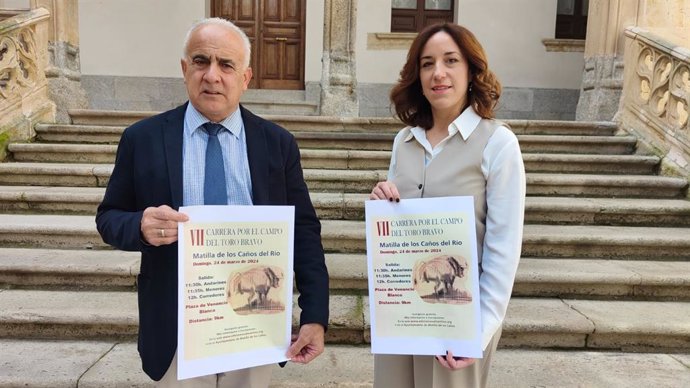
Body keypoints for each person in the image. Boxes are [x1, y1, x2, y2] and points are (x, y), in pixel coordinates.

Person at [95, 17, 329, 388]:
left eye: (227, 65)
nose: (212, 75)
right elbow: (108, 217)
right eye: (202, 61)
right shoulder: (143, 139)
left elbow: (303, 230)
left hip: (254, 325)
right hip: (178, 328)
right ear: (185, 69)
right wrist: (139, 225)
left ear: (246, 77)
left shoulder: (277, 144)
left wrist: (315, 314)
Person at [369, 23, 525, 388]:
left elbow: (503, 250)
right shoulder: (404, 141)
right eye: (427, 64)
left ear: (471, 70)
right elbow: (397, 228)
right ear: (417, 75)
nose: (438, 73)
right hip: (402, 314)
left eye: (450, 61)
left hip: (458, 325)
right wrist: (382, 202)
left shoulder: (498, 144)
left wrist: (480, 332)